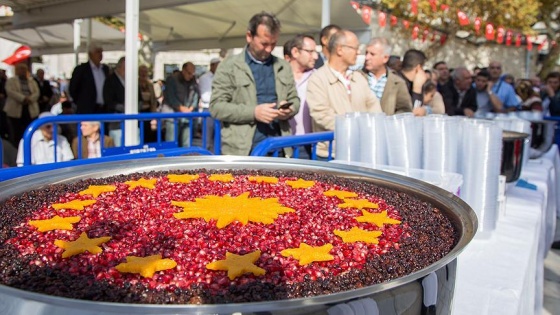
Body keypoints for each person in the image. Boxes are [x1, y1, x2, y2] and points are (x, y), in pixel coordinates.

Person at [210, 12, 300, 156]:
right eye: (264, 44)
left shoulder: (283, 66)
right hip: (243, 151)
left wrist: (289, 109)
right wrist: (253, 112)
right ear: (249, 36)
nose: (269, 49)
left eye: (273, 44)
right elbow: (217, 107)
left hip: (279, 148)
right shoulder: (229, 66)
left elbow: (295, 99)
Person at [307, 29, 382, 159]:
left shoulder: (359, 78)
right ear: (340, 49)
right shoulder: (318, 79)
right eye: (355, 48)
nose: (358, 52)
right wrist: (355, 129)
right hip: (330, 155)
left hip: (360, 152)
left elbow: (374, 108)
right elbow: (321, 114)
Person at [283, 34, 318, 158]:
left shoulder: (318, 78)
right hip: (282, 143)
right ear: (295, 52)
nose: (315, 56)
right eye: (310, 52)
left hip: (308, 145)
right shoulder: (278, 76)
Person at [361, 37, 411, 115]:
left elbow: (405, 110)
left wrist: (391, 122)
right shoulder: (357, 77)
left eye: (372, 54)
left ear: (385, 58)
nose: (367, 57)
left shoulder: (397, 82)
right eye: (366, 53)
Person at [162, 62, 199, 147]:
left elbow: (196, 95)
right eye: (189, 73)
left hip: (186, 117)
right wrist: (182, 109)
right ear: (183, 70)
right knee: (172, 144)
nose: (191, 76)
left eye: (193, 73)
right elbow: (171, 98)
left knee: (187, 144)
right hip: (173, 116)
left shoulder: (193, 81)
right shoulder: (172, 79)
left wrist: (192, 107)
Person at [3, 63, 40, 147]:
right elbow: (10, 92)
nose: (22, 71)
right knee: (16, 132)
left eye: (24, 69)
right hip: (15, 110)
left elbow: (37, 92)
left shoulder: (32, 81)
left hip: (30, 109)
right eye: (20, 69)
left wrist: (30, 99)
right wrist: (23, 98)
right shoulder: (11, 81)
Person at [69, 43, 110, 114]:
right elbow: (73, 89)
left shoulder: (105, 69)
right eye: (98, 52)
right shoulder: (81, 69)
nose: (100, 54)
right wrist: (81, 102)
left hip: (103, 109)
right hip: (87, 109)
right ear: (90, 54)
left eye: (101, 52)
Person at [397, 49, 430, 114]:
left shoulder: (413, 82)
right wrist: (417, 89)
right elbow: (414, 112)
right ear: (418, 67)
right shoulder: (398, 82)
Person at [198, 58, 221, 149]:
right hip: (208, 109)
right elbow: (205, 97)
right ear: (212, 65)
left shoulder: (221, 77)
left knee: (219, 138)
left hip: (219, 109)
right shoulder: (204, 78)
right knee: (207, 137)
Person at [103, 56, 126, 146]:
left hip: (131, 123)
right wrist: (125, 108)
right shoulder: (110, 80)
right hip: (116, 122)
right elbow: (109, 101)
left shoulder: (131, 80)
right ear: (120, 67)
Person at [138, 64, 158, 143]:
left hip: (148, 111)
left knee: (149, 133)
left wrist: (154, 115)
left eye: (145, 72)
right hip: (139, 112)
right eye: (141, 72)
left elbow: (153, 99)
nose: (143, 74)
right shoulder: (135, 83)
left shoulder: (150, 84)